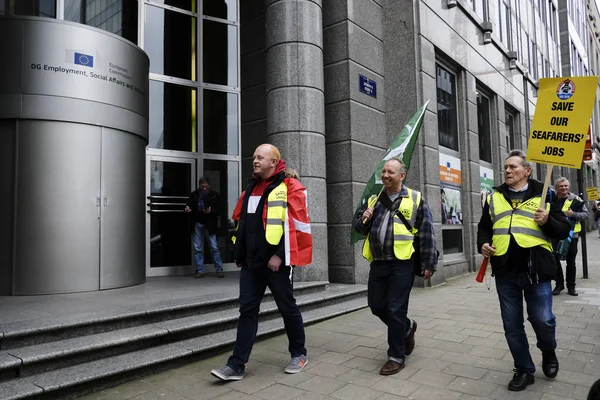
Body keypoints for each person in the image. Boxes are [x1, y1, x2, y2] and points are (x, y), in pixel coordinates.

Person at [210, 144, 312, 381]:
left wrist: (280, 256)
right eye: (254, 157)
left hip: (277, 264)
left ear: (274, 162)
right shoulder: (250, 189)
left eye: (260, 158)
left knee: (287, 308)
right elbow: (242, 223)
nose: (255, 161)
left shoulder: (290, 187)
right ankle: (236, 365)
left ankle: (299, 353)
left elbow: (297, 226)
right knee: (247, 311)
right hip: (251, 264)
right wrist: (240, 253)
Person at [477, 150, 570, 391]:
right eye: (505, 167)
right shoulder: (494, 196)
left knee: (543, 319)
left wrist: (547, 220)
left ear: (527, 171)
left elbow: (562, 231)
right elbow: (484, 228)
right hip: (505, 271)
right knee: (512, 325)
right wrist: (483, 244)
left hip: (536, 271)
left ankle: (548, 351)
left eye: (513, 167)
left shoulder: (546, 194)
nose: (507, 171)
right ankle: (524, 369)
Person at [354, 158, 437, 376]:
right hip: (379, 262)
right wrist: (363, 219)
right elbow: (358, 228)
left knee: (395, 308)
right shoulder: (373, 199)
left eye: (390, 172)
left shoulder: (415, 198)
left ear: (402, 176)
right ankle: (407, 328)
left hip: (403, 263)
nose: (385, 175)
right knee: (376, 305)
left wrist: (429, 262)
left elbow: (426, 231)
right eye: (383, 171)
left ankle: (395, 356)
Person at [551, 177, 588, 296]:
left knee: (570, 261)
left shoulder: (576, 199)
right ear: (556, 188)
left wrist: (573, 214)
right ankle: (559, 284)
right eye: (561, 186)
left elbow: (586, 214)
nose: (564, 188)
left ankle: (571, 286)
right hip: (555, 233)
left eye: (566, 186)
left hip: (571, 235)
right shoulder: (551, 199)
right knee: (555, 260)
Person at [184, 177, 224, 278]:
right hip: (197, 222)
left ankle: (219, 269)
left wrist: (211, 211)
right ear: (199, 186)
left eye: (206, 187)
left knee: (214, 247)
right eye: (203, 187)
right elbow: (188, 206)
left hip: (209, 223)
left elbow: (219, 209)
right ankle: (200, 270)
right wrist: (187, 209)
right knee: (198, 248)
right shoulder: (194, 195)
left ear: (209, 185)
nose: (204, 189)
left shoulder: (214, 195)